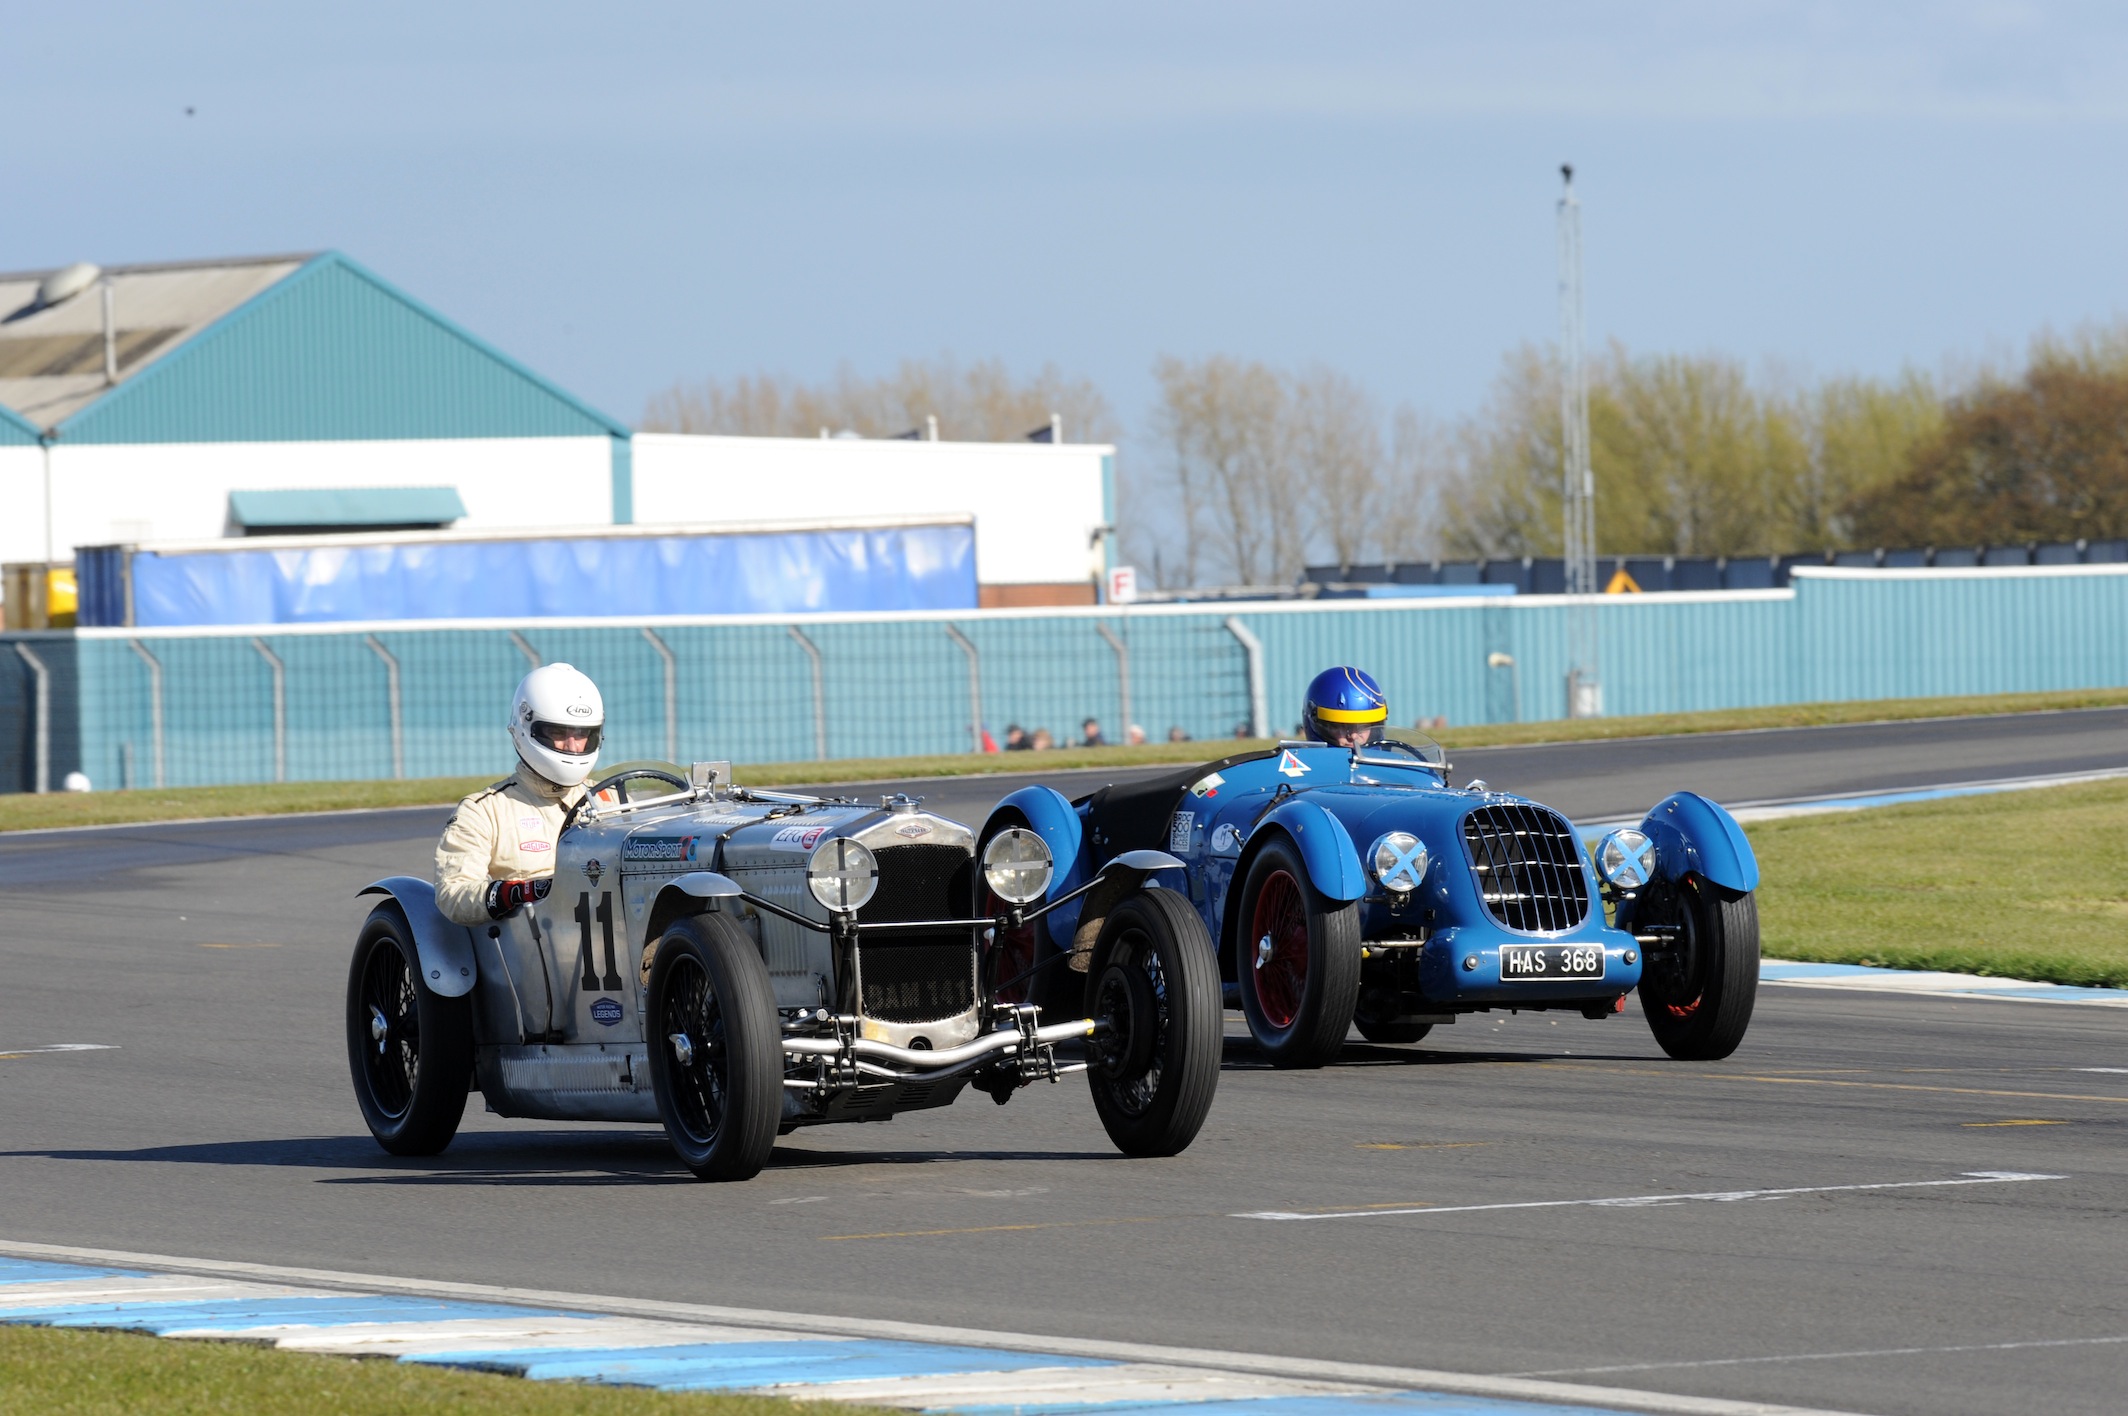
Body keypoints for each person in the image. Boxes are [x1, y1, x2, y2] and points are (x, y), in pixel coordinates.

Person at [435, 663, 605, 928]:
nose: (572, 745)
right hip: (530, 953)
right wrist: (513, 893)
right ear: (526, 728)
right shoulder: (483, 811)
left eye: (581, 734)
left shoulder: (614, 800)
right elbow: (453, 894)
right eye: (559, 733)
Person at [1300, 666, 1389, 748]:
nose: (1353, 736)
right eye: (1341, 726)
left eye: (1363, 726)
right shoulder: (1300, 764)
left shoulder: (1389, 763)